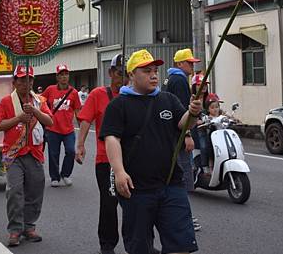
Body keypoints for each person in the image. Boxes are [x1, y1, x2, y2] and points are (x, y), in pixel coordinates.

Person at [101, 49, 201, 254]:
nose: (154, 75)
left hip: (171, 184)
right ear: (131, 75)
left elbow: (184, 125)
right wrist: (119, 172)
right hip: (137, 189)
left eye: (155, 70)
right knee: (140, 248)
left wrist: (193, 113)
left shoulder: (168, 99)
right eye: (146, 71)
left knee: (181, 246)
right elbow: (112, 138)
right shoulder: (119, 105)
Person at [0, 65, 53, 247]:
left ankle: (29, 226)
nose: (25, 83)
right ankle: (15, 230)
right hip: (14, 154)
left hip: (34, 153)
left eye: (29, 79)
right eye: (21, 80)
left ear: (33, 82)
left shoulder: (39, 101)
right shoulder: (5, 102)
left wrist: (35, 111)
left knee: (35, 190)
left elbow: (50, 121)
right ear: (14, 82)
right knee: (15, 192)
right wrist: (19, 118)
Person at [75, 54, 124, 254]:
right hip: (107, 160)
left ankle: (140, 242)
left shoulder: (137, 95)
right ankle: (107, 244)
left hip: (134, 158)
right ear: (111, 73)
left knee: (139, 203)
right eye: (121, 73)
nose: (125, 78)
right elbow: (86, 120)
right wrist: (80, 145)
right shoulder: (97, 94)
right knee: (109, 202)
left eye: (129, 74)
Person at [164, 48, 201, 232]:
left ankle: (176, 214)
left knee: (175, 176)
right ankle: (185, 216)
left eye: (193, 62)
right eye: (189, 62)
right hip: (178, 136)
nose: (192, 65)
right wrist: (187, 135)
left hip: (169, 136)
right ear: (179, 64)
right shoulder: (179, 81)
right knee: (183, 177)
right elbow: (180, 111)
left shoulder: (171, 79)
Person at [42, 64, 81, 187]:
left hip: (68, 130)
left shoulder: (74, 92)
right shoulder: (50, 90)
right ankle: (55, 177)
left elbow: (77, 111)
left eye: (66, 74)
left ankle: (65, 174)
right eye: (61, 74)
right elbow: (40, 102)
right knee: (54, 154)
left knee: (70, 151)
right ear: (57, 77)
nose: (64, 77)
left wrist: (82, 128)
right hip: (52, 129)